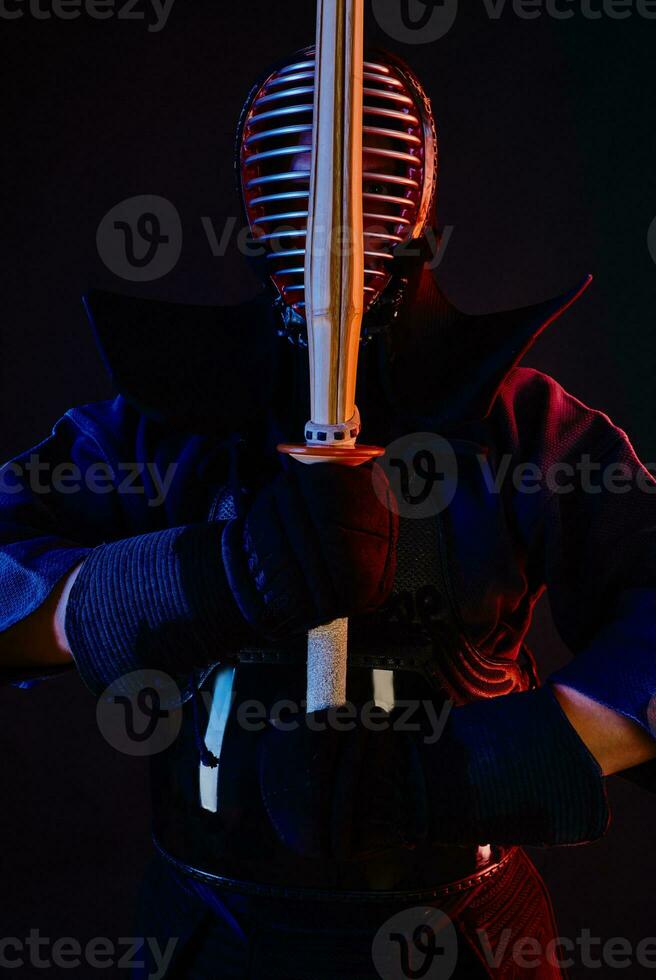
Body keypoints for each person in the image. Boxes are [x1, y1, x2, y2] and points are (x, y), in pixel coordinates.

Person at [1, 46, 655, 980]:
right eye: (296, 182)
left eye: (368, 184)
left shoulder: (525, 430)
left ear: (418, 201)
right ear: (254, 201)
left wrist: (471, 773)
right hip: (207, 935)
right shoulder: (155, 429)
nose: (332, 222)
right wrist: (192, 580)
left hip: (465, 935)